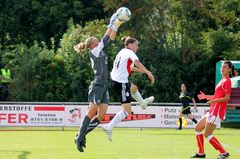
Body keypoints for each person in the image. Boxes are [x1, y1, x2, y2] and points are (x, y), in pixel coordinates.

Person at [73, 12, 126, 152]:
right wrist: (113, 23)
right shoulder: (94, 52)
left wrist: (116, 25)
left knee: (101, 116)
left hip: (104, 86)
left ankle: (80, 135)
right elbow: (107, 37)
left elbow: (110, 38)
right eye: (97, 40)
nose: (99, 41)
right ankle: (79, 138)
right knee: (91, 113)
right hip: (97, 84)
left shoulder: (99, 50)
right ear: (92, 45)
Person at [102, 36, 155, 141]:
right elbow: (137, 63)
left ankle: (143, 103)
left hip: (116, 81)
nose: (137, 47)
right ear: (130, 45)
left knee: (134, 88)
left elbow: (129, 67)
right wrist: (148, 73)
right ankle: (109, 126)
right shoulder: (130, 53)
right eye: (136, 45)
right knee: (127, 111)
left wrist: (141, 71)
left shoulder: (122, 52)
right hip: (120, 83)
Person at [191, 60, 235, 159]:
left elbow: (227, 98)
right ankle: (201, 153)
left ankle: (224, 153)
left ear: (229, 70)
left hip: (217, 112)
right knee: (197, 128)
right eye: (222, 67)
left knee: (207, 134)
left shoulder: (227, 81)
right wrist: (206, 96)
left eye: (224, 67)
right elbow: (217, 96)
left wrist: (214, 102)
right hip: (213, 110)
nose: (222, 69)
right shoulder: (222, 80)